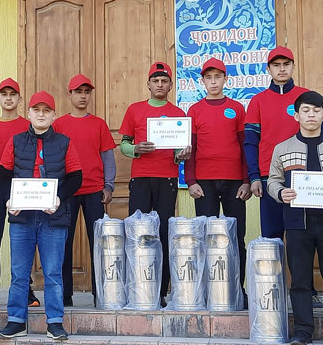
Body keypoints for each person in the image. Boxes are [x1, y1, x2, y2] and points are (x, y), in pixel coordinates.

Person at [0, 91, 82, 340]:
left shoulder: (64, 142)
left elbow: (76, 177)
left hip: (53, 216)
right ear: (29, 113)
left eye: (46, 111)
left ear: (54, 115)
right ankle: (16, 321)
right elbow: (3, 175)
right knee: (19, 273)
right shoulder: (15, 141)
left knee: (53, 273)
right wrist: (9, 199)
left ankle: (54, 322)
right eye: (37, 110)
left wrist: (59, 198)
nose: (41, 115)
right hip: (22, 216)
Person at [119, 62, 191, 307]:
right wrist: (136, 149)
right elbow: (124, 144)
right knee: (138, 233)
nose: (160, 85)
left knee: (163, 235)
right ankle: (136, 290)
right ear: (148, 84)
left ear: (171, 85)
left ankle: (160, 291)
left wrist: (181, 155)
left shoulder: (178, 114)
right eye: (155, 81)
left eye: (164, 81)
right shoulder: (134, 110)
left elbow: (179, 151)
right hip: (140, 179)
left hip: (167, 179)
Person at [185, 58, 250, 306]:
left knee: (236, 238)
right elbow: (190, 149)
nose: (213, 82)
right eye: (208, 78)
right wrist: (190, 180)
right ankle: (207, 291)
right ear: (202, 81)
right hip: (204, 182)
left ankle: (238, 290)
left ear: (225, 79)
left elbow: (245, 146)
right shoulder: (194, 110)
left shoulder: (237, 108)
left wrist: (246, 180)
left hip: (235, 182)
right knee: (206, 238)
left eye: (217, 77)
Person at [53, 74, 116, 307]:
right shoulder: (59, 125)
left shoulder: (99, 124)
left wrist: (109, 185)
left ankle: (101, 293)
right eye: (78, 92)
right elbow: (51, 158)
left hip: (94, 191)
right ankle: (64, 294)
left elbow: (108, 157)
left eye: (86, 92)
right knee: (63, 243)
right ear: (69, 94)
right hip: (66, 192)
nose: (83, 96)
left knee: (98, 244)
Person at [0, 78, 39, 307]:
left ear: (20, 99)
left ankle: (25, 290)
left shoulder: (29, 126)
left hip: (21, 190)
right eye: (4, 94)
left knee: (22, 241)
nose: (9, 98)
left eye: (13, 94)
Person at [267, 91, 323, 345]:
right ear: (296, 115)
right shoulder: (283, 148)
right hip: (297, 222)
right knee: (299, 279)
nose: (311, 115)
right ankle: (303, 331)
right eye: (306, 110)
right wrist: (281, 193)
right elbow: (273, 181)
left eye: (317, 110)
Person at [245, 46, 308, 240]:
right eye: (276, 65)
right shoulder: (257, 101)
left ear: (293, 66)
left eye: (286, 64)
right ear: (268, 69)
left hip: (304, 176)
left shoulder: (306, 97)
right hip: (269, 177)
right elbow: (250, 142)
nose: (281, 69)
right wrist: (254, 177)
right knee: (272, 237)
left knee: (303, 237)